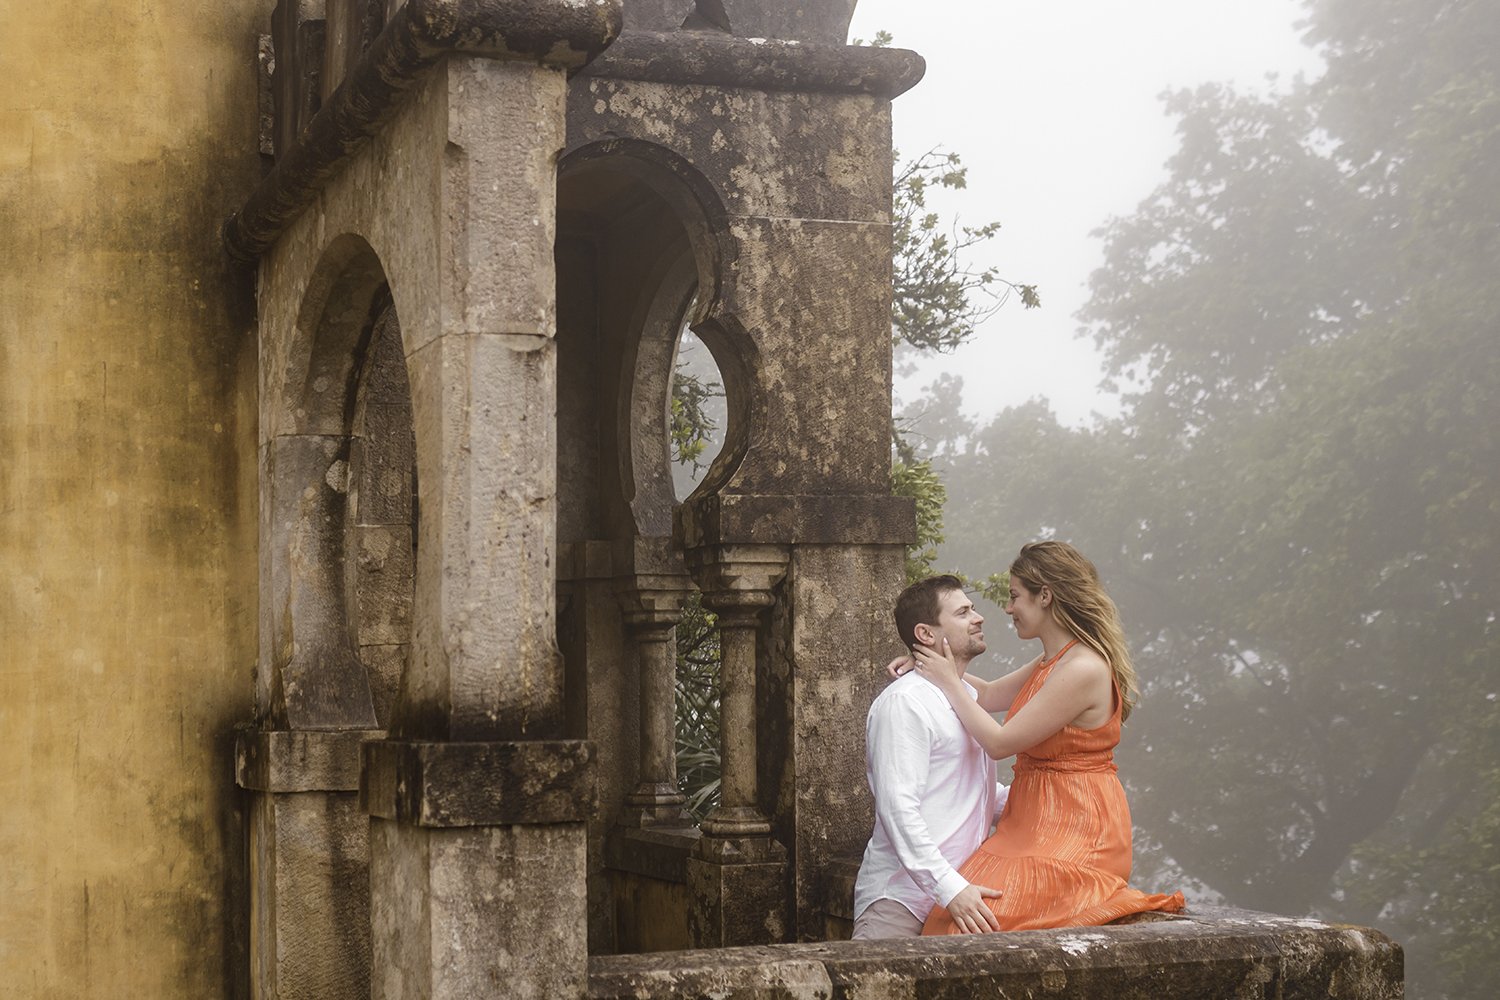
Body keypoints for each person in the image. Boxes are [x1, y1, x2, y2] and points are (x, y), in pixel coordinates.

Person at [902, 541, 1185, 934]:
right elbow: (985, 696)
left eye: (1015, 596)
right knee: (950, 919)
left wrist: (948, 681)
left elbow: (1001, 742)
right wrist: (929, 663)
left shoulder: (1083, 667)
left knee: (969, 928)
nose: (1007, 608)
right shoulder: (1053, 660)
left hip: (1077, 825)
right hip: (1029, 824)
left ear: (1045, 597)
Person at [852, 574, 1012, 938]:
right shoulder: (905, 702)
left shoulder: (965, 697)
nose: (978, 617)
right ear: (926, 634)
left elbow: (974, 791)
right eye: (963, 612)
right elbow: (898, 809)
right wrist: (949, 887)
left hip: (964, 897)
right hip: (902, 902)